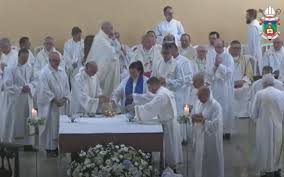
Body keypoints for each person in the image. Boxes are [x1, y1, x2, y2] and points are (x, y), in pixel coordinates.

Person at [134, 77, 183, 169]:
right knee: (173, 147)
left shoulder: (161, 95)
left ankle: (169, 169)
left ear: (155, 84)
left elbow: (151, 108)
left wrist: (137, 110)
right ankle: (171, 167)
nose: (149, 90)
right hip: (171, 122)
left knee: (170, 148)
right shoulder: (165, 91)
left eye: (149, 87)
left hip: (168, 124)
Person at [37, 52, 70, 157]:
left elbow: (66, 87)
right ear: (50, 60)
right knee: (51, 127)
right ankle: (50, 149)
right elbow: (44, 89)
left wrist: (64, 98)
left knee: (59, 126)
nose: (57, 63)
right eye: (55, 61)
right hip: (50, 105)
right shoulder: (44, 73)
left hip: (61, 105)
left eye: (58, 61)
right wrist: (55, 99)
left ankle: (58, 147)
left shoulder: (62, 71)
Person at [1, 49, 37, 144]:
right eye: (23, 58)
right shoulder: (11, 68)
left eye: (26, 58)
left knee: (27, 121)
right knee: (15, 122)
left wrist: (29, 86)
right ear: (18, 56)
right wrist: (21, 89)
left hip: (27, 99)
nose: (25, 60)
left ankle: (27, 144)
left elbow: (35, 81)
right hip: (16, 100)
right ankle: (13, 144)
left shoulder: (30, 67)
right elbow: (7, 85)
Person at [251, 74, 284, 177]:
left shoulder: (259, 94)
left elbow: (253, 113)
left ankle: (266, 169)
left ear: (264, 83)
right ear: (273, 83)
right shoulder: (281, 94)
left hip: (263, 126)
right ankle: (277, 168)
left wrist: (255, 118)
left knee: (265, 146)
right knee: (277, 146)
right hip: (278, 125)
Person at [191, 86, 224, 177]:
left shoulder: (216, 106)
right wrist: (195, 117)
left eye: (200, 97)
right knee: (200, 162)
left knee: (210, 163)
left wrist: (203, 121)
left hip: (211, 140)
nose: (198, 99)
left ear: (206, 95)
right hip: (200, 139)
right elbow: (198, 115)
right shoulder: (200, 103)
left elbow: (216, 125)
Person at [208, 39, 234, 140]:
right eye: (216, 47)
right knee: (215, 107)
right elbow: (209, 72)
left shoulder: (228, 57)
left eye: (219, 47)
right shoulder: (211, 56)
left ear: (223, 46)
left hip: (224, 86)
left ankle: (226, 131)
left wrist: (219, 65)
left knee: (225, 107)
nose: (217, 49)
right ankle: (216, 129)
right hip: (214, 86)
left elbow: (229, 73)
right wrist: (215, 65)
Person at [86, 21, 120, 96]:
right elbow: (111, 51)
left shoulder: (106, 37)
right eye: (110, 28)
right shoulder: (99, 38)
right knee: (102, 89)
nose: (112, 30)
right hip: (102, 68)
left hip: (110, 68)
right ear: (104, 28)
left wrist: (114, 39)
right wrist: (113, 44)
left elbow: (118, 48)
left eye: (112, 28)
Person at [229, 40, 253, 118]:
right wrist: (231, 83)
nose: (237, 50)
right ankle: (230, 114)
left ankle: (243, 113)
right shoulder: (225, 58)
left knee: (246, 88)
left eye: (239, 48)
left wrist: (243, 81)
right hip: (228, 84)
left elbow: (249, 73)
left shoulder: (245, 59)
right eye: (235, 48)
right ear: (230, 49)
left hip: (241, 83)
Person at [246, 9, 262, 75]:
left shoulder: (253, 26)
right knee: (257, 71)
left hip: (253, 52)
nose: (246, 17)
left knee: (254, 72)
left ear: (251, 16)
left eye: (247, 15)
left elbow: (253, 42)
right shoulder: (258, 24)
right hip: (257, 51)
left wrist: (253, 55)